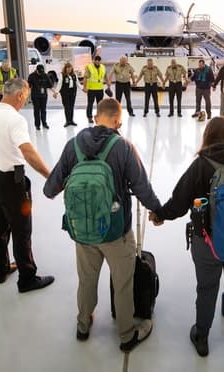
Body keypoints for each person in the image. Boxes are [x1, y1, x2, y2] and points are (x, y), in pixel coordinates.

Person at [43, 99, 160, 352]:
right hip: (116, 231)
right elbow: (142, 187)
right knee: (123, 284)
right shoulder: (124, 147)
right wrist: (158, 211)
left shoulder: (72, 145)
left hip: (82, 231)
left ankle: (83, 325)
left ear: (96, 117)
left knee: (86, 281)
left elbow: (50, 188)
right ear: (118, 121)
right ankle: (127, 335)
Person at [149, 117, 224, 356]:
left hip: (207, 241)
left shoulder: (201, 165)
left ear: (207, 137)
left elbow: (180, 202)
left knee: (207, 287)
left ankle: (202, 336)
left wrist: (160, 215)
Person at [0, 79, 55, 292]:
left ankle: (2, 269)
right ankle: (27, 278)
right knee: (21, 229)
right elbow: (28, 151)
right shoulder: (15, 120)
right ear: (20, 95)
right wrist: (51, 177)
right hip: (13, 182)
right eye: (26, 96)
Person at [27, 64, 53, 130]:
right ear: (36, 70)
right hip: (35, 96)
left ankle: (44, 123)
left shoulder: (45, 75)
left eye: (42, 72)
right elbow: (28, 87)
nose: (41, 73)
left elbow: (50, 85)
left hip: (44, 96)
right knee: (36, 110)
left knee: (43, 110)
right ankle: (37, 125)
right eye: (39, 72)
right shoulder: (31, 76)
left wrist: (54, 92)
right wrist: (27, 95)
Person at [83, 55, 108, 124]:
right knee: (90, 104)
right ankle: (90, 117)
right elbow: (85, 77)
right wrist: (84, 87)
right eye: (96, 60)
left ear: (100, 61)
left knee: (100, 104)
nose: (97, 62)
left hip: (100, 89)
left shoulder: (103, 67)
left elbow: (105, 76)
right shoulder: (89, 67)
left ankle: (99, 116)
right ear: (94, 60)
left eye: (98, 60)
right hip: (91, 89)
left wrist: (108, 84)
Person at [57, 61, 79, 127]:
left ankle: (71, 120)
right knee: (67, 107)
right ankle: (67, 121)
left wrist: (83, 89)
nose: (69, 69)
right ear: (65, 68)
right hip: (65, 92)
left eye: (70, 68)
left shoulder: (74, 75)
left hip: (73, 92)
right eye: (68, 68)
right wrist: (56, 92)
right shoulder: (62, 75)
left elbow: (77, 83)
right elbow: (59, 84)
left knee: (71, 107)